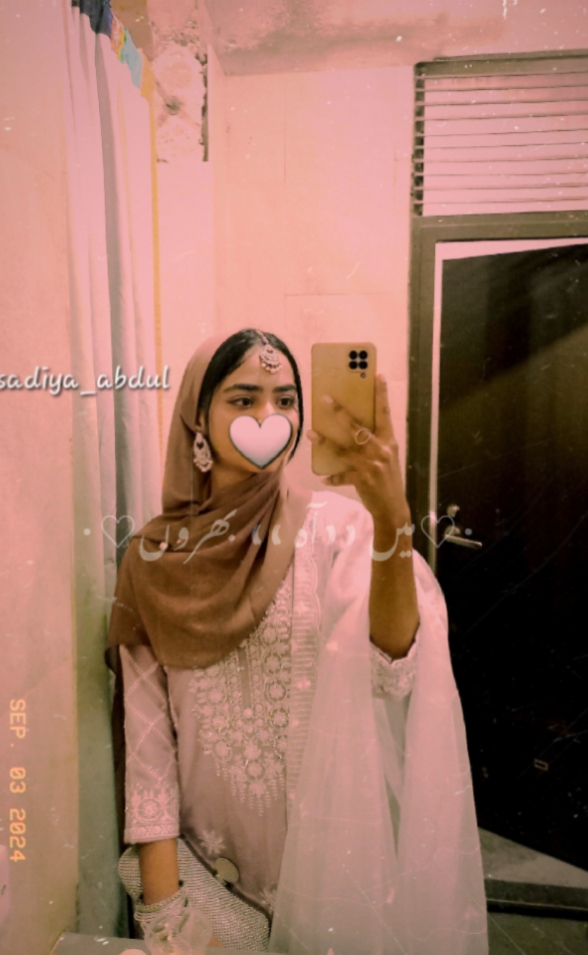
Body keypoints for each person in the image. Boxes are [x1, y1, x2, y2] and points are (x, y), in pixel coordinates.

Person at [106, 328, 488, 955]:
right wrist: (167, 916)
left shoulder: (340, 531)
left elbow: (392, 672)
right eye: (243, 399)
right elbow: (149, 750)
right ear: (198, 419)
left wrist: (391, 520)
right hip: (213, 885)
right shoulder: (153, 558)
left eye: (286, 400)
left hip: (337, 876)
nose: (270, 417)